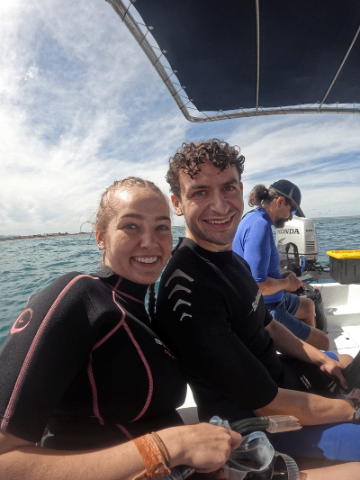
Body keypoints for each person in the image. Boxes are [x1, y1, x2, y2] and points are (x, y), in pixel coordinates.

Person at [0, 177, 243, 480]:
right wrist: (167, 446)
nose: (150, 242)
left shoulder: (142, 310)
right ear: (100, 236)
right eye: (131, 226)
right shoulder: (78, 296)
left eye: (162, 227)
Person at [155, 139, 360, 464]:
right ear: (177, 203)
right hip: (253, 420)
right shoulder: (188, 289)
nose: (221, 206)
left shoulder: (230, 261)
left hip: (278, 380)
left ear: (241, 189)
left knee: (347, 361)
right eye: (200, 192)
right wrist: (351, 409)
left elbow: (269, 325)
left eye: (228, 188)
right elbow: (268, 404)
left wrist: (321, 358)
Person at [232, 181, 329, 350]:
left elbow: (257, 271)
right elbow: (258, 286)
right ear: (280, 201)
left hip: (275, 300)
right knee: (324, 341)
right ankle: (312, 355)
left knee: (308, 306)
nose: (291, 217)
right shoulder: (259, 226)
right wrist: (286, 284)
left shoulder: (256, 218)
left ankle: (307, 356)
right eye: (291, 210)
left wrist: (281, 277)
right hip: (265, 310)